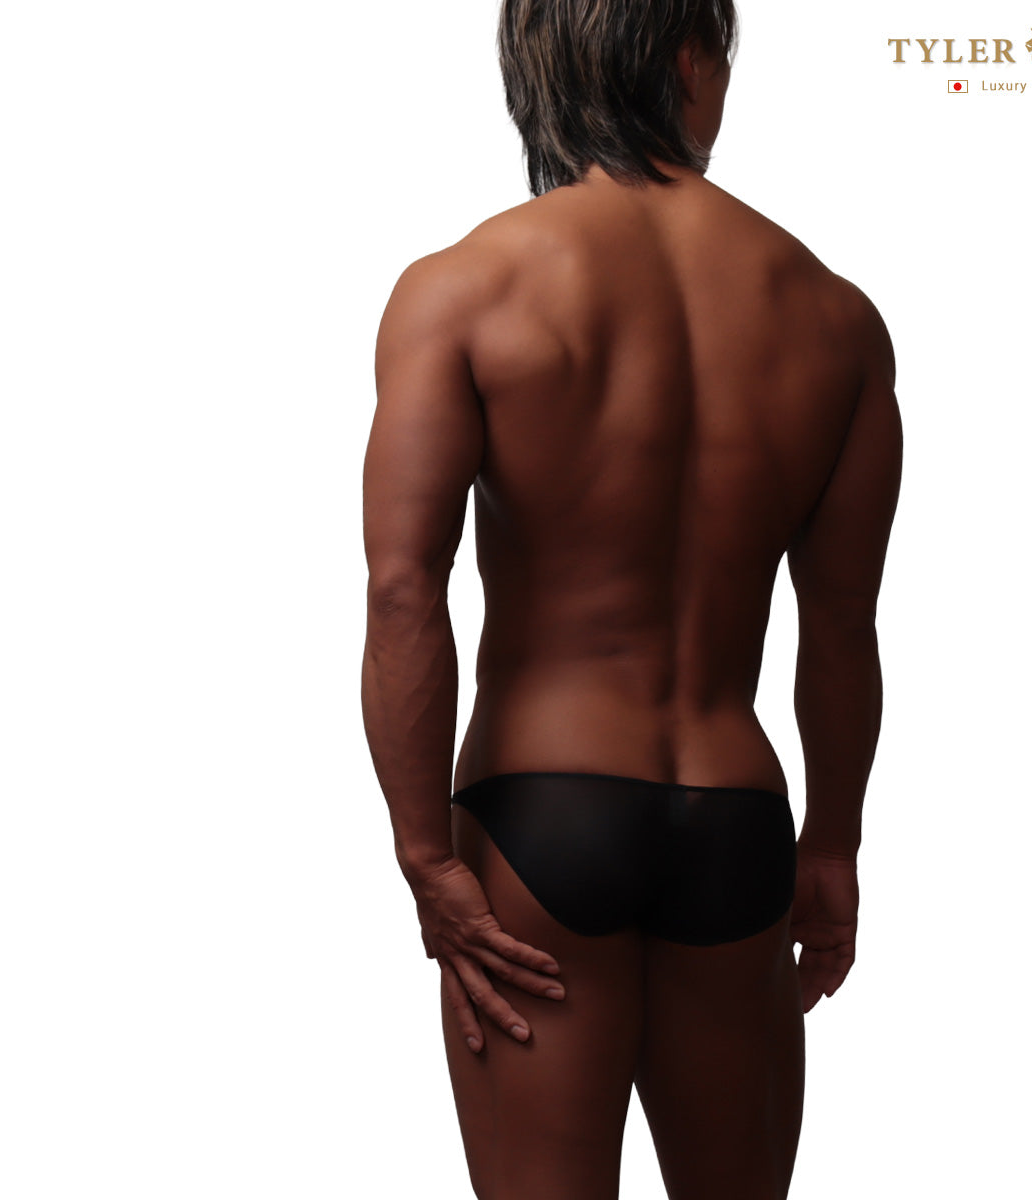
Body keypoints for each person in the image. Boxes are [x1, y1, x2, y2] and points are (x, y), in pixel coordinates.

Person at [360, 1, 902, 1196]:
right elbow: (841, 629)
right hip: (736, 819)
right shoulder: (836, 319)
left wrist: (425, 855)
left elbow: (404, 590)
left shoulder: (464, 288)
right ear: (689, 59)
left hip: (538, 815)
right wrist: (833, 845)